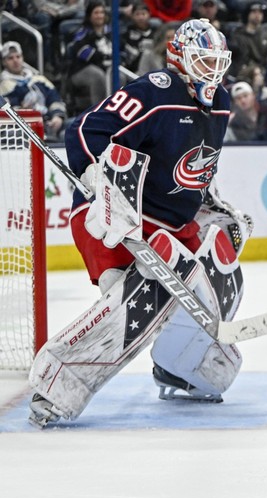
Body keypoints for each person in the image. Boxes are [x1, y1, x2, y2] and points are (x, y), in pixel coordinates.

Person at [29, 18, 253, 428]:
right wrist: (96, 175)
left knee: (219, 267)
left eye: (217, 62)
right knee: (135, 299)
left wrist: (211, 204)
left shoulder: (220, 103)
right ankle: (58, 383)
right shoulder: (156, 92)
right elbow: (85, 129)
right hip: (114, 219)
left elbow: (196, 167)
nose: (212, 72)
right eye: (203, 61)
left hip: (170, 226)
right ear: (179, 58)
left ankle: (181, 366)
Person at [0, 40, 68, 141]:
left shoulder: (39, 79)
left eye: (18, 57)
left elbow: (55, 99)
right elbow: (6, 112)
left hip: (50, 123)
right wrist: (23, 111)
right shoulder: (4, 86)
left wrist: (57, 116)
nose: (15, 60)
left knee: (76, 125)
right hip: (25, 129)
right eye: (10, 58)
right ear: (4, 62)